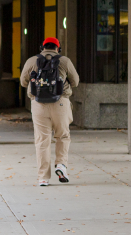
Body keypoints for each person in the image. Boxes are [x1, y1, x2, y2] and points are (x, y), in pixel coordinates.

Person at [20, 37, 79, 187]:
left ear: (42, 47)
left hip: (38, 104)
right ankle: (61, 165)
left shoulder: (32, 60)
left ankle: (43, 178)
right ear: (58, 48)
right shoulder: (64, 61)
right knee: (62, 136)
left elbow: (23, 81)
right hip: (60, 103)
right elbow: (76, 81)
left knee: (42, 140)